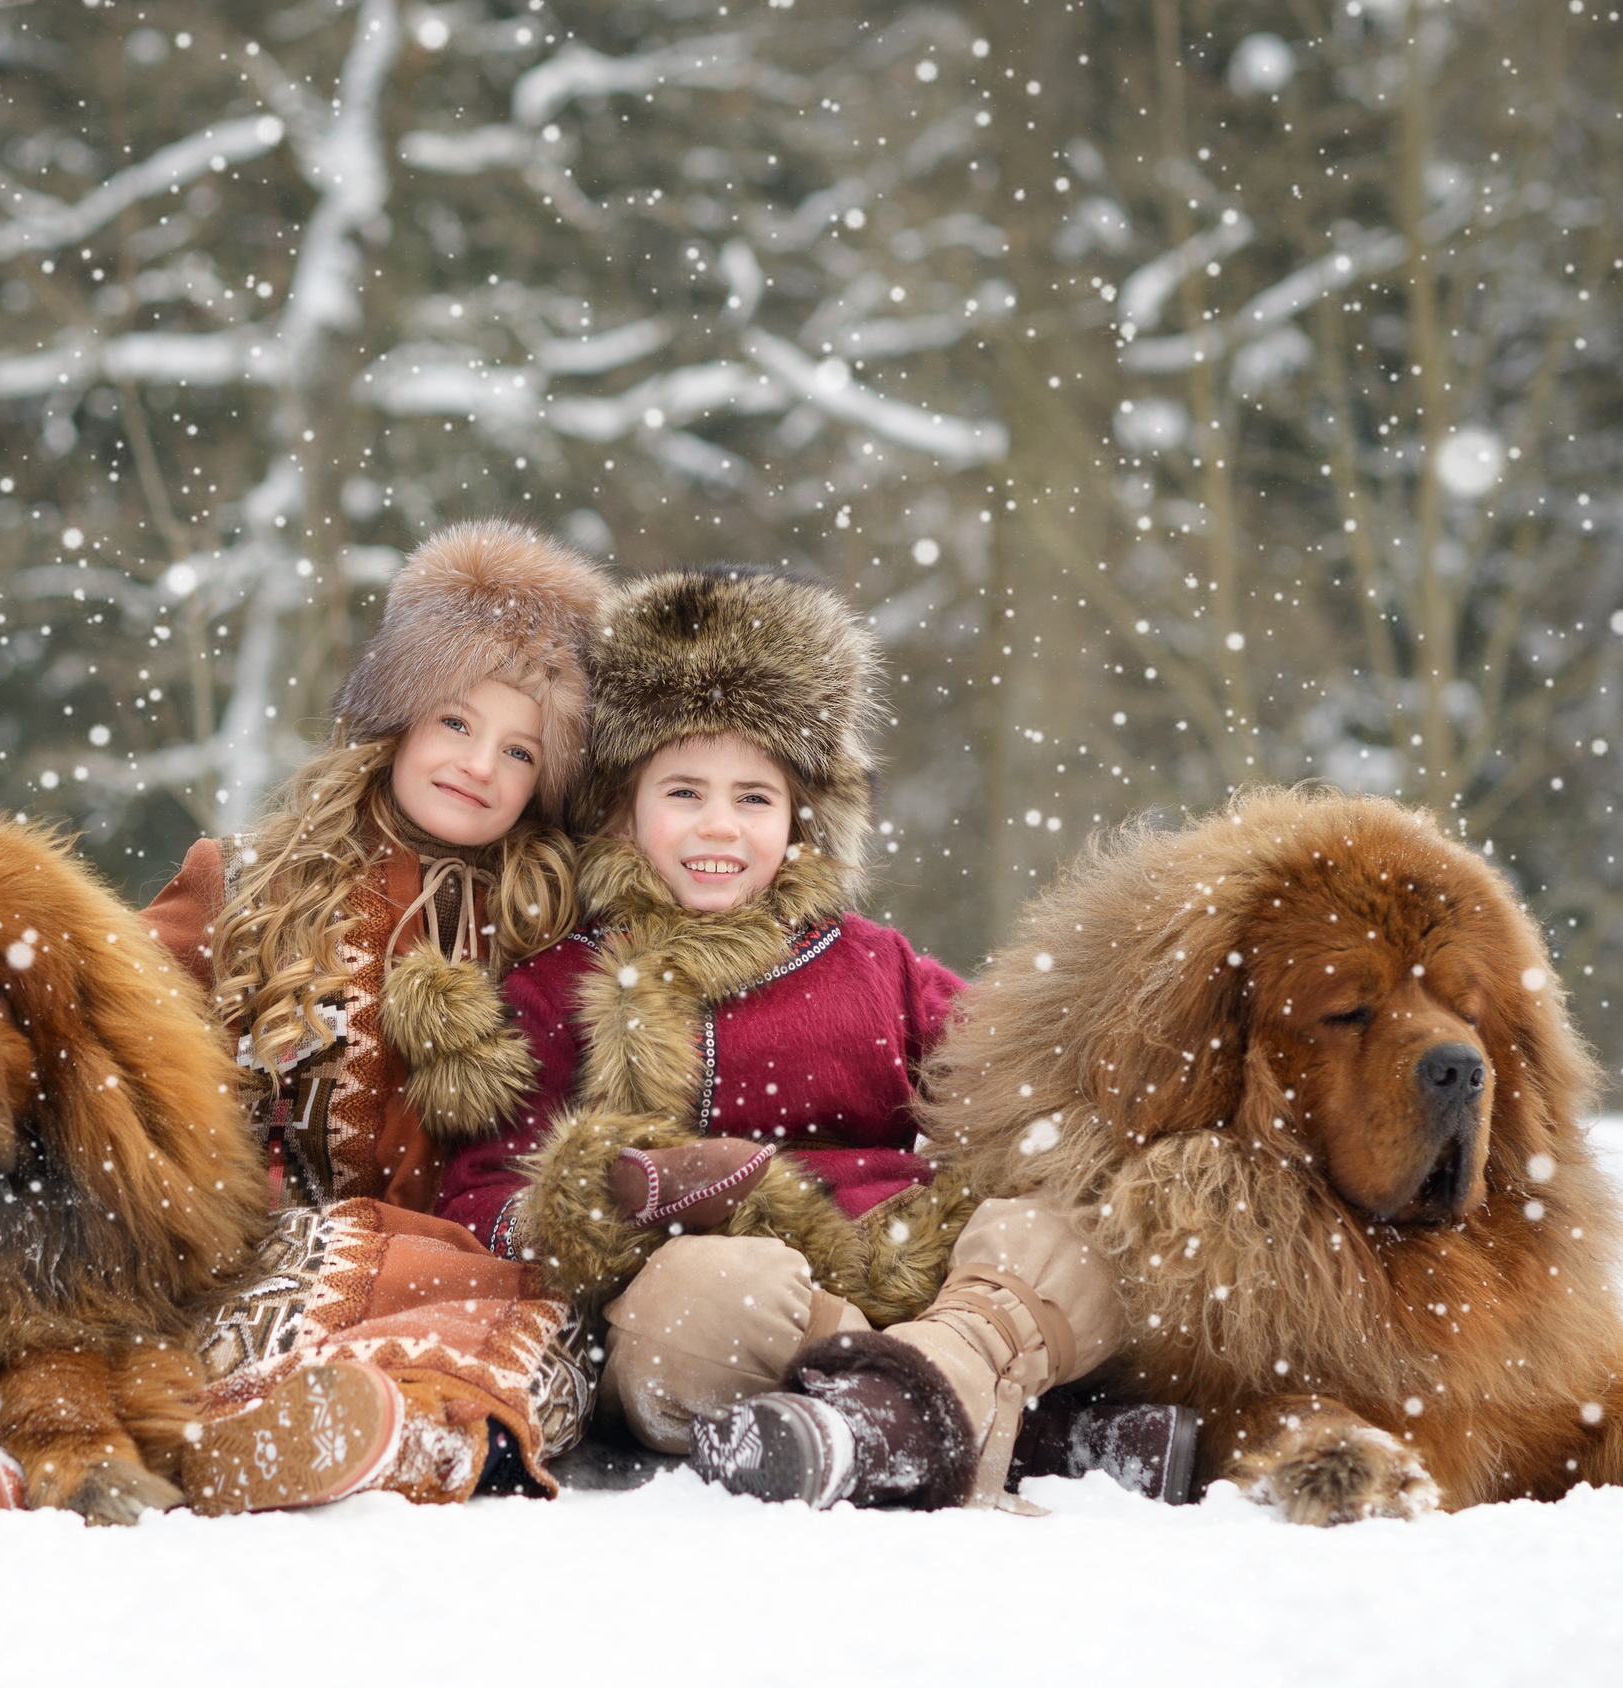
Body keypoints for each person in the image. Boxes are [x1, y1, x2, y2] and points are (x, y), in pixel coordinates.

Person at [437, 566, 1188, 1511]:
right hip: (735, 1295)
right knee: (693, 1314)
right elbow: (485, 1193)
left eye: (754, 798)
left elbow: (1018, 1075)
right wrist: (589, 1206)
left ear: (801, 818)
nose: (719, 826)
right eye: (683, 792)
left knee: (1067, 1233)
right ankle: (1021, 1427)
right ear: (624, 808)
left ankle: (891, 1411)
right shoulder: (559, 980)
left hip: (912, 1259)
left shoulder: (875, 966)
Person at [135, 519, 613, 1513]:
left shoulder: (560, 929)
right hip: (277, 1254)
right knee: (336, 1257)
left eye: (518, 750)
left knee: (541, 1333)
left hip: (491, 1268)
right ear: (398, 713)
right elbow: (119, 1044)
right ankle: (160, 1442)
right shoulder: (245, 885)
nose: (477, 764)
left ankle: (397, 1441)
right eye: (454, 723)